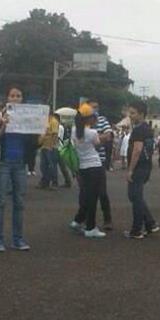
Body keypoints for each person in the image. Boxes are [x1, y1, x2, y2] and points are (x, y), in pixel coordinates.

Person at [0, 85, 31, 252]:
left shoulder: (28, 117)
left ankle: (17, 239)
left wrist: (40, 134)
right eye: (12, 95)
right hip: (4, 162)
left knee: (19, 202)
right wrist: (3, 126)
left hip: (20, 163)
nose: (15, 98)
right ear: (7, 98)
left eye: (18, 96)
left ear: (22, 99)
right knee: (0, 202)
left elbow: (33, 142)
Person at [69, 103, 108, 238]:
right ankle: (90, 227)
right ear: (88, 119)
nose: (95, 119)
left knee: (86, 195)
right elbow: (98, 145)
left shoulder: (74, 130)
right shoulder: (92, 132)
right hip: (94, 166)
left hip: (82, 166)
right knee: (93, 198)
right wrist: (105, 139)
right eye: (93, 116)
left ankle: (78, 220)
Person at [124, 100, 159, 239]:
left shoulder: (139, 130)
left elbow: (137, 150)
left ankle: (137, 230)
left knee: (135, 197)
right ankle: (150, 223)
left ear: (141, 114)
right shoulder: (147, 128)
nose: (130, 115)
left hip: (139, 168)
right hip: (146, 167)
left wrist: (130, 170)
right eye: (129, 112)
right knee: (135, 196)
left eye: (133, 113)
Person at [87, 99, 113, 230]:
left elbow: (108, 135)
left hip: (99, 160)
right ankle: (86, 219)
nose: (95, 110)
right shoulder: (83, 121)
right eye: (92, 107)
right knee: (86, 192)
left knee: (102, 191)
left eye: (96, 107)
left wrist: (90, 138)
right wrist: (97, 138)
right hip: (85, 160)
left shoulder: (102, 120)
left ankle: (108, 219)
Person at [38, 113, 60, 190]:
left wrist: (52, 145)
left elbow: (55, 134)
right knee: (43, 165)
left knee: (52, 165)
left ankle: (54, 183)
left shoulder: (53, 121)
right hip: (44, 146)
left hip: (51, 147)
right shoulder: (44, 121)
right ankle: (45, 181)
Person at [56, 114, 72, 188]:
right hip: (61, 147)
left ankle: (68, 181)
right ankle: (68, 181)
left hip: (59, 148)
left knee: (62, 165)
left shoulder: (59, 127)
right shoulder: (61, 126)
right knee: (62, 166)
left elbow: (58, 137)